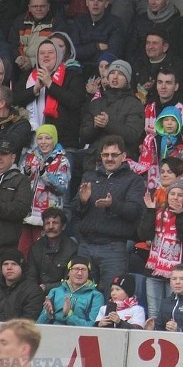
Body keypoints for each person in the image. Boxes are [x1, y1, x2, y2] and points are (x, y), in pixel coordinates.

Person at [72, 136, 145, 292]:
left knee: (111, 297)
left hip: (114, 249)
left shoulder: (134, 180)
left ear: (124, 156)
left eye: (114, 154)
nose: (109, 158)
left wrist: (113, 205)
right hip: (86, 245)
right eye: (105, 155)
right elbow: (74, 210)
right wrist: (82, 202)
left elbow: (135, 212)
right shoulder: (89, 177)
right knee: (80, 294)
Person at [136, 178, 183, 321]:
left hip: (177, 272)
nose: (175, 198)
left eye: (180, 195)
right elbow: (144, 235)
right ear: (167, 195)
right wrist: (149, 211)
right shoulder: (157, 212)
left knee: (173, 312)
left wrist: (179, 216)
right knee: (154, 312)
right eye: (172, 194)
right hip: (154, 271)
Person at [14, 38, 86, 151]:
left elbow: (75, 102)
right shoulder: (27, 76)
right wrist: (35, 89)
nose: (46, 56)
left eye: (50, 52)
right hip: (30, 142)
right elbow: (15, 100)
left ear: (58, 55)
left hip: (63, 143)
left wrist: (50, 84)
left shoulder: (72, 76)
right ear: (37, 57)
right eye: (42, 53)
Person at [79, 59, 144, 169]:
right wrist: (95, 126)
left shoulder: (135, 104)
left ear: (127, 80)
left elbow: (133, 135)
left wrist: (108, 124)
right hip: (93, 163)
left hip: (121, 165)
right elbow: (84, 136)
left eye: (120, 74)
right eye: (112, 73)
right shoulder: (96, 103)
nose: (115, 77)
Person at [19, 124, 70, 256]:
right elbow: (21, 181)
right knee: (23, 252)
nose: (43, 142)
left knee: (41, 255)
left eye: (47, 138)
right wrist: (26, 173)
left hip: (48, 217)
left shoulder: (62, 161)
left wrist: (43, 173)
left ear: (54, 140)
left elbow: (61, 188)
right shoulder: (30, 157)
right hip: (27, 214)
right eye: (40, 138)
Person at [36, 255, 105, 327]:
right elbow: (39, 326)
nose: (79, 273)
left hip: (80, 336)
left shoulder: (96, 296)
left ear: (88, 274)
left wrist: (69, 314)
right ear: (69, 272)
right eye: (76, 269)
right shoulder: (55, 292)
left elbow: (93, 326)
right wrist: (48, 315)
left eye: (83, 270)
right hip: (55, 333)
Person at [70, 0, 125, 71]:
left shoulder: (116, 23)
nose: (95, 3)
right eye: (92, 0)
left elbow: (113, 53)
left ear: (106, 3)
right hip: (79, 69)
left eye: (100, 0)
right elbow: (73, 52)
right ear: (87, 2)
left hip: (103, 70)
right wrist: (96, 47)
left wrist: (85, 52)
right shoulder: (78, 21)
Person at [9, 0, 67, 74]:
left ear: (48, 7)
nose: (39, 9)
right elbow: (12, 44)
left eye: (42, 6)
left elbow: (59, 51)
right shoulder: (19, 21)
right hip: (19, 65)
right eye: (35, 6)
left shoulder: (57, 23)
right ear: (29, 8)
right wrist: (18, 58)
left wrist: (33, 62)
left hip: (46, 68)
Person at [25, 207, 77, 294]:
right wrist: (34, 291)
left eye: (55, 223)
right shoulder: (35, 248)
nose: (51, 226)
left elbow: (70, 281)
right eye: (47, 223)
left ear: (63, 226)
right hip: (37, 293)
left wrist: (47, 287)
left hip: (64, 293)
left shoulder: (72, 248)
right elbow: (31, 276)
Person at [145, 263, 183, 333]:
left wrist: (178, 329)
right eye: (174, 279)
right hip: (167, 343)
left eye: (182, 279)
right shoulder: (165, 302)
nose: (177, 282)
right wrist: (152, 329)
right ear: (170, 282)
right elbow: (160, 329)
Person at [0, 139, 32, 251]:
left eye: (3, 154)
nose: (0, 158)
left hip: (7, 246)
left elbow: (21, 209)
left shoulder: (21, 180)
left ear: (13, 158)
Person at [0, 249, 44, 321]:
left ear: (22, 267)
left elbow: (28, 321)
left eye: (14, 264)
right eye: (5, 264)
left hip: (18, 331)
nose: (9, 268)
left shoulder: (33, 291)